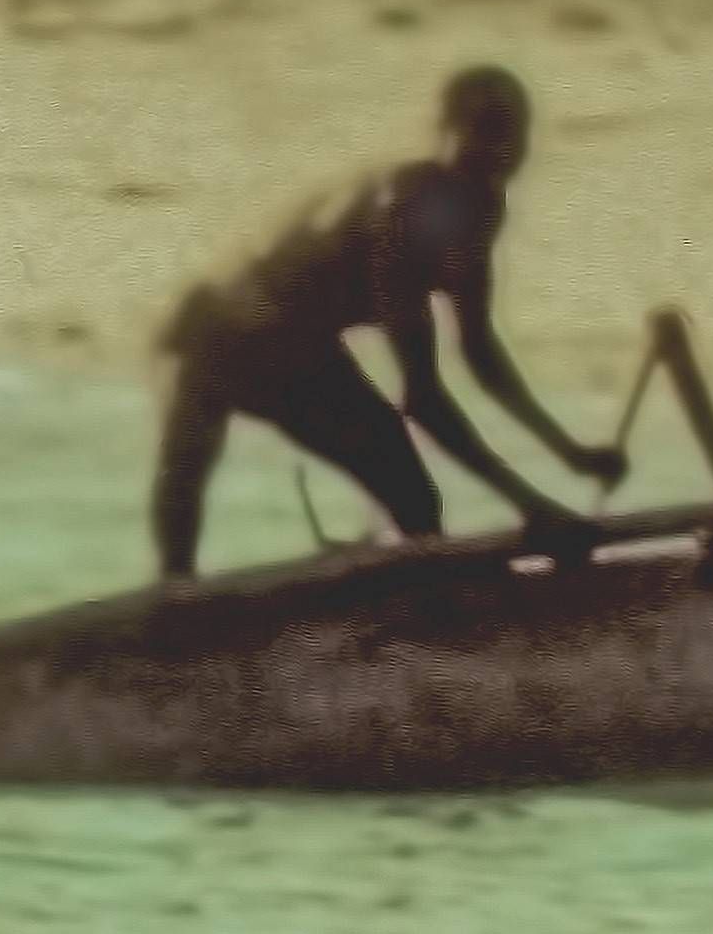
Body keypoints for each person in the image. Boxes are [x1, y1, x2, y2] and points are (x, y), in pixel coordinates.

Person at [146, 63, 628, 582]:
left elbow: (480, 354)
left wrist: (569, 454)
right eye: (484, 132)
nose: (500, 151)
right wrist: (531, 506)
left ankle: (418, 612)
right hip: (220, 331)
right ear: (446, 134)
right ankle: (177, 610)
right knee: (191, 507)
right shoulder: (408, 211)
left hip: (292, 341)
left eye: (511, 134)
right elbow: (423, 396)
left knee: (412, 495)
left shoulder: (480, 209)